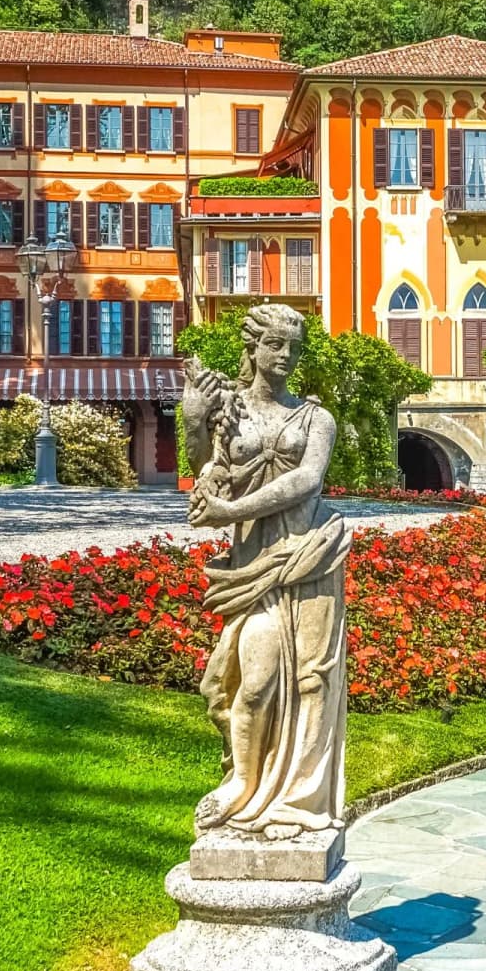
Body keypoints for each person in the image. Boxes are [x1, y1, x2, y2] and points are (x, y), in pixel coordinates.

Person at [183, 303, 350, 841]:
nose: (285, 357)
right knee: (249, 685)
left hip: (309, 556)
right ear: (252, 348)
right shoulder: (229, 412)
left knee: (310, 680)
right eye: (275, 345)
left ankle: (296, 800)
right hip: (252, 566)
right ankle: (244, 782)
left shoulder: (316, 419)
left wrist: (231, 511)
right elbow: (207, 477)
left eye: (293, 348)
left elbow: (307, 480)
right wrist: (193, 419)